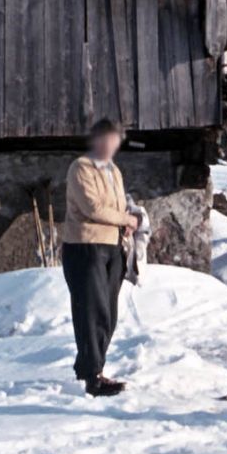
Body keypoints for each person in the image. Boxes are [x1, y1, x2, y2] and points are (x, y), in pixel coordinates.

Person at [62, 118, 138, 397]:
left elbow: (118, 205)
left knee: (108, 313)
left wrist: (128, 221)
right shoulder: (81, 168)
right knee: (91, 310)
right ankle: (91, 375)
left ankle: (96, 368)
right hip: (85, 245)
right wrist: (125, 218)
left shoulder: (114, 171)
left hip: (113, 244)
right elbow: (93, 207)